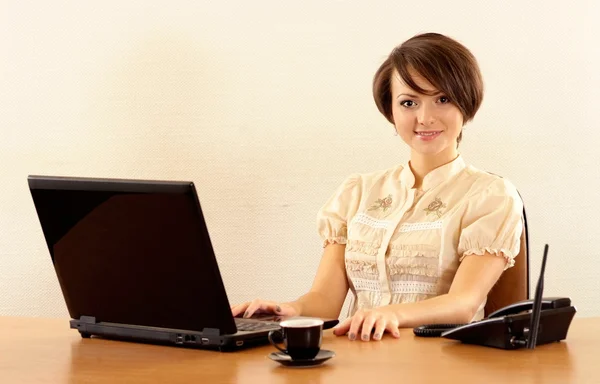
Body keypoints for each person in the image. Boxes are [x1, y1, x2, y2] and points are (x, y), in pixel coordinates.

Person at [231, 32, 524, 342]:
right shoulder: (357, 192)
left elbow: (464, 304)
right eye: (409, 102)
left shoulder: (489, 196)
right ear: (391, 110)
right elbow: (326, 301)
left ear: (466, 102)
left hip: (443, 362)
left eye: (442, 99)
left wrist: (391, 314)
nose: (425, 118)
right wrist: (286, 310)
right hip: (356, 360)